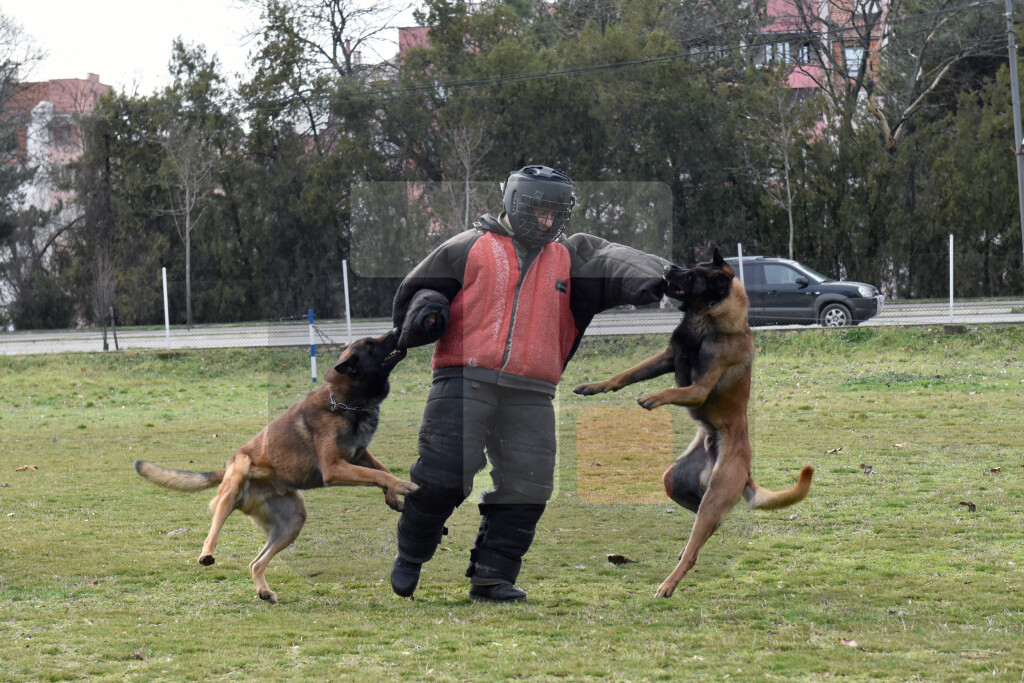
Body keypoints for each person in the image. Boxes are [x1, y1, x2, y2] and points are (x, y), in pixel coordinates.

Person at [389, 165, 673, 602]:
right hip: (462, 379)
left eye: (554, 214)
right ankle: (411, 555)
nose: (546, 222)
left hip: (532, 392)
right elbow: (417, 292)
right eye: (537, 211)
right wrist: (426, 314)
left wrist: (674, 281)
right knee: (442, 477)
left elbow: (617, 262)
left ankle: (492, 575)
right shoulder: (466, 247)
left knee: (529, 486)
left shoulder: (569, 257)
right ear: (513, 203)